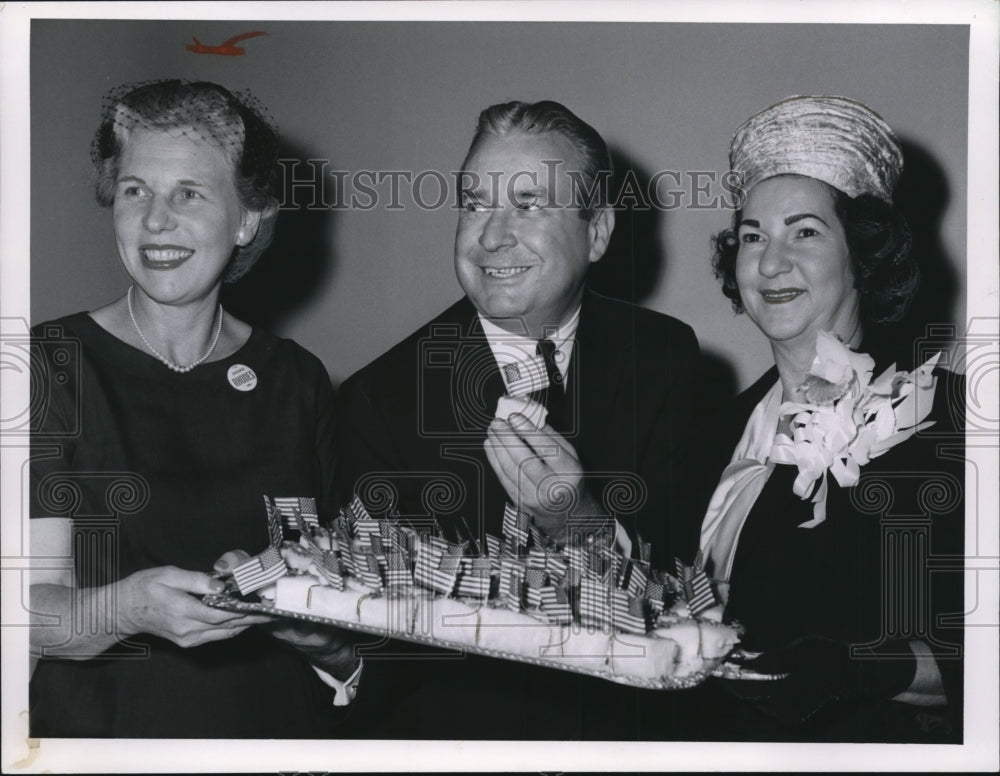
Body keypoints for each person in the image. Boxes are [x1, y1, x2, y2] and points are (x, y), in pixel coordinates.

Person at [334, 100, 700, 738]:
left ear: (597, 233)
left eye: (529, 204)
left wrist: (579, 523)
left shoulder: (665, 356)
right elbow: (390, 650)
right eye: (474, 204)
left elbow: (693, 584)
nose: (492, 235)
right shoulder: (379, 399)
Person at [28, 80, 358, 738]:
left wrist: (316, 633)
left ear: (245, 218)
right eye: (135, 190)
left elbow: (343, 607)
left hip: (274, 736)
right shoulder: (50, 365)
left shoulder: (299, 380)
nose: (155, 221)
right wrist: (126, 609)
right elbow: (24, 614)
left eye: (189, 192)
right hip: (106, 742)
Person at [691, 95, 964, 742]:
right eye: (753, 236)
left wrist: (847, 669)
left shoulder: (943, 419)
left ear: (863, 256)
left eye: (805, 232)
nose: (770, 261)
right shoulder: (702, 434)